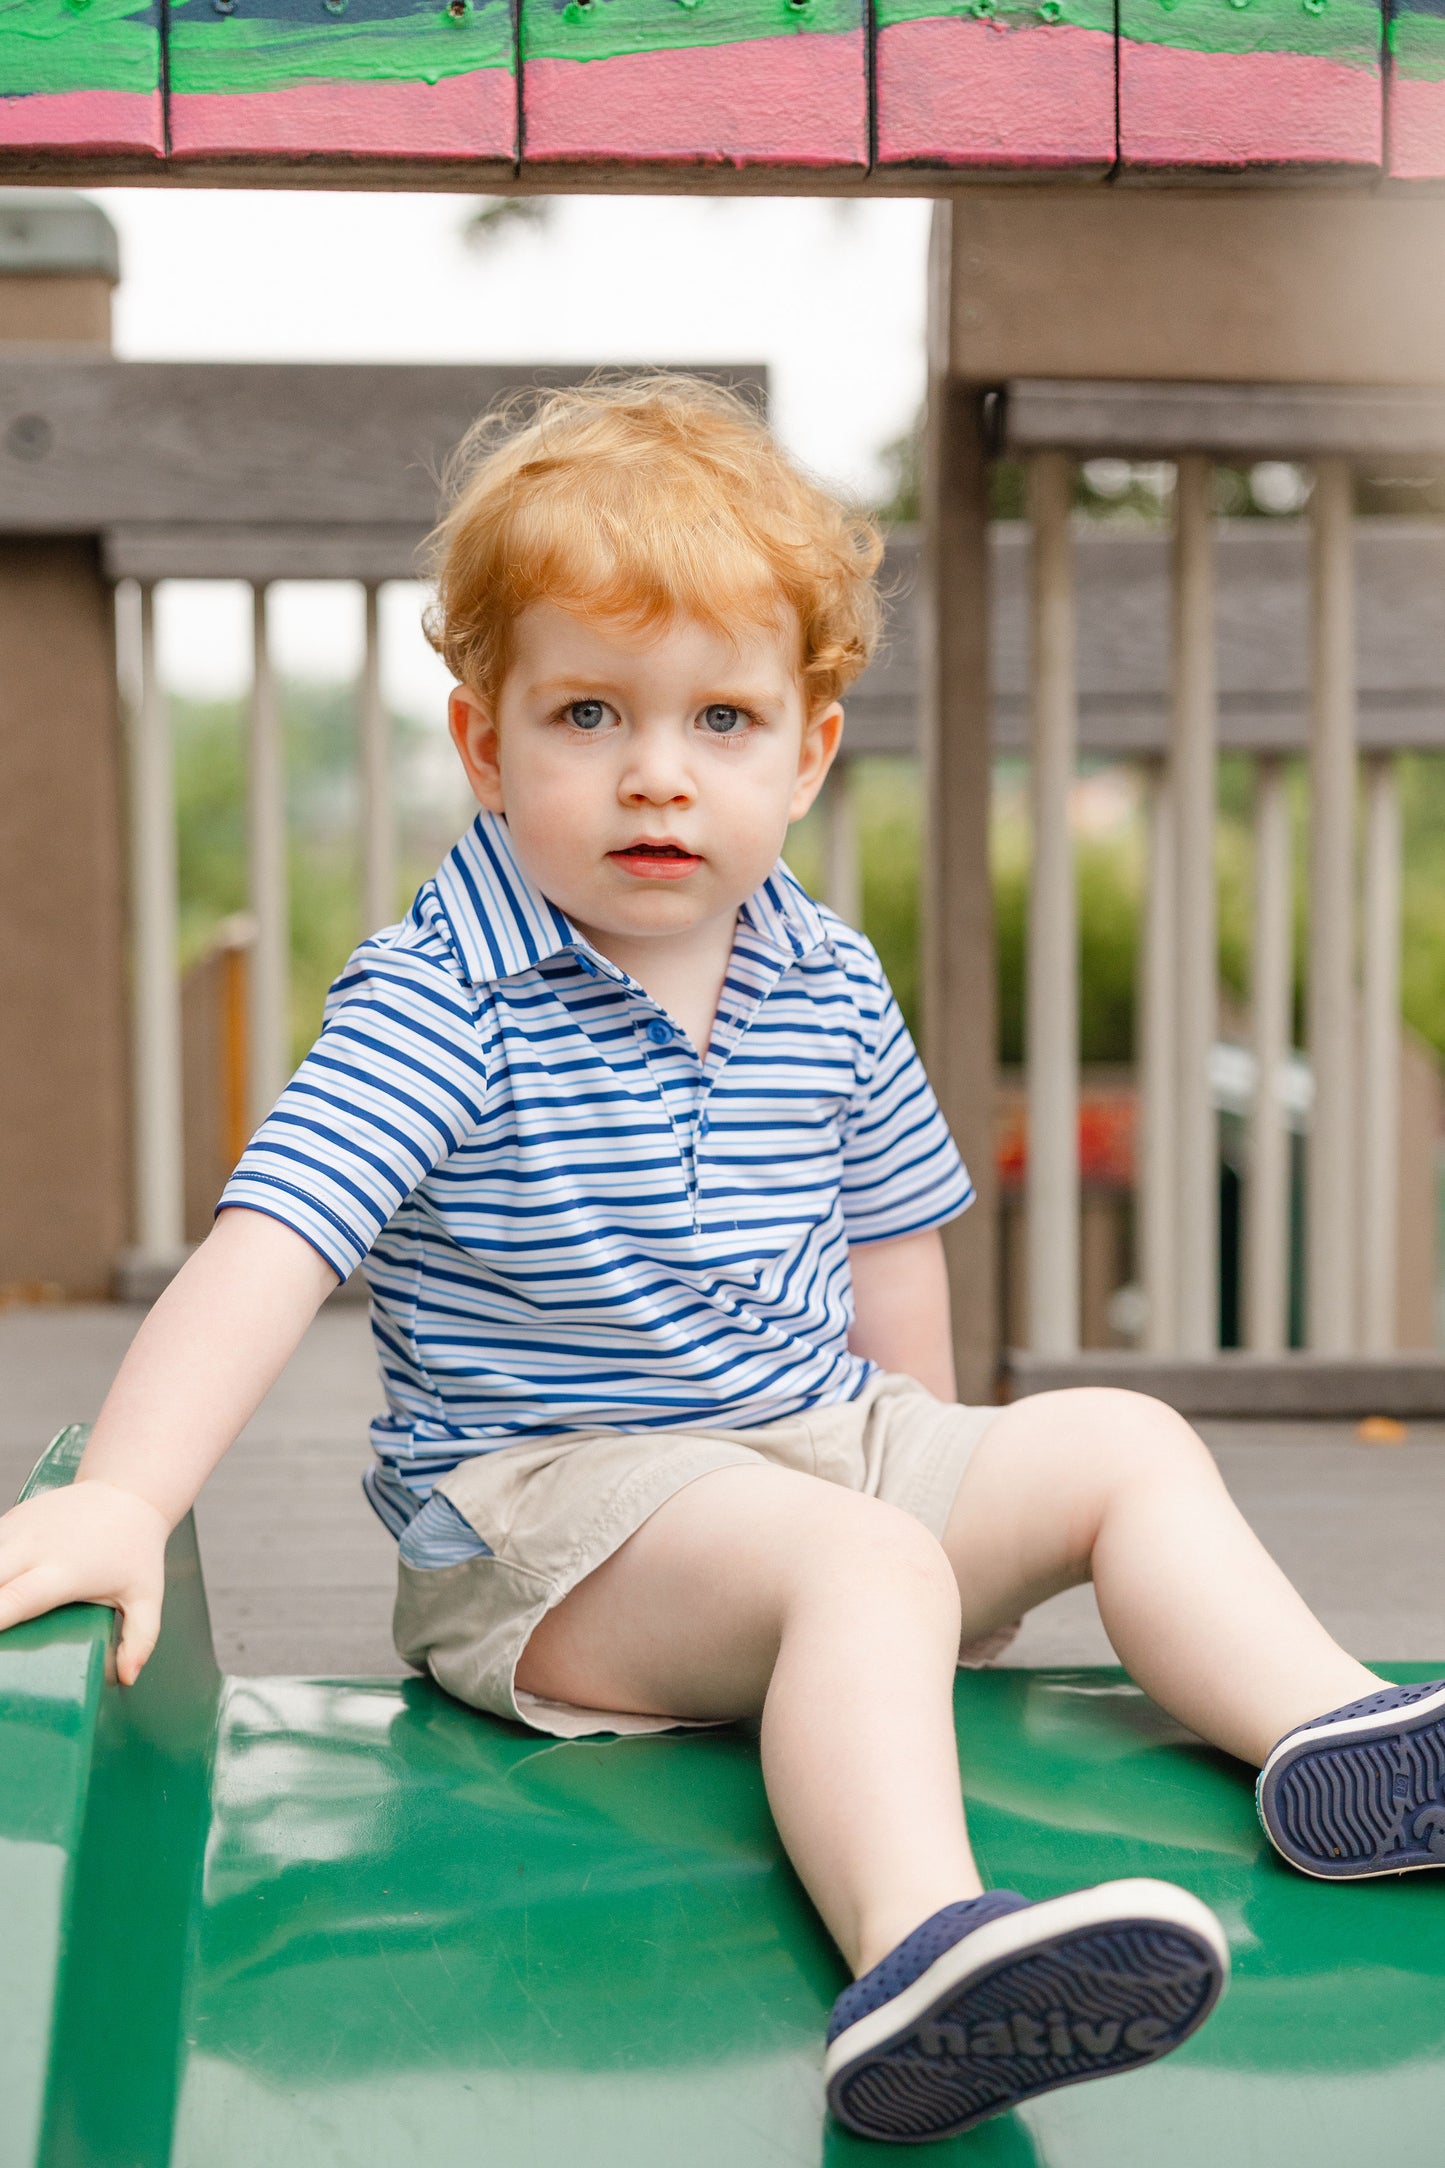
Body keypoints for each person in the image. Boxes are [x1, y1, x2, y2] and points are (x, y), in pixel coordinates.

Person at [1, 375, 1440, 2145]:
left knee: (1119, 1440)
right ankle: (924, 1954)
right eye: (590, 712)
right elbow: (272, 1244)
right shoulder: (444, 993)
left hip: (809, 1461)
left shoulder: (822, 975)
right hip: (550, 1521)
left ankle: (1344, 1745)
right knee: (856, 1566)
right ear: (484, 742)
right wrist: (131, 1501)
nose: (657, 772)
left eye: (724, 719)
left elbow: (889, 1245)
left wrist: (943, 1500)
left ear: (810, 752)